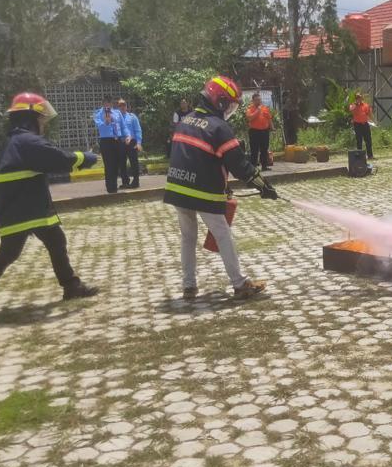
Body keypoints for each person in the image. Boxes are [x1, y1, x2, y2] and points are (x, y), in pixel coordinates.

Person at [0, 93, 100, 327]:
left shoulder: (17, 141)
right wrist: (84, 158)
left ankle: (71, 286)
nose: (44, 123)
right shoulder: (27, 142)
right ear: (30, 117)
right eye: (41, 119)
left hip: (32, 206)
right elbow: (55, 158)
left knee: (56, 240)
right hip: (21, 210)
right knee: (8, 255)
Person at [164, 75, 279, 301]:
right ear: (219, 101)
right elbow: (238, 164)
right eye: (230, 105)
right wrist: (262, 185)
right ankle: (239, 283)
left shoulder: (185, 121)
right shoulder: (218, 127)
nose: (229, 110)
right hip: (203, 191)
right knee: (223, 234)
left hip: (177, 188)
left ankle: (189, 286)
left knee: (187, 238)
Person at [94, 95, 125, 193]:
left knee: (116, 163)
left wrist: (127, 135)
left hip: (117, 140)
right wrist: (106, 122)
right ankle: (110, 187)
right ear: (103, 104)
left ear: (112, 104)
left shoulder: (117, 113)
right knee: (108, 164)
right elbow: (99, 125)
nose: (107, 105)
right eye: (105, 103)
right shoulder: (98, 113)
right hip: (106, 141)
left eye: (109, 103)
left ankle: (114, 186)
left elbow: (123, 126)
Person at [117, 99, 143, 189]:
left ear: (126, 106)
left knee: (134, 163)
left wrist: (139, 143)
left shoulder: (132, 117)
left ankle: (136, 181)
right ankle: (125, 182)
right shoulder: (116, 118)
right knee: (121, 163)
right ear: (118, 107)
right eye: (120, 105)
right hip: (121, 142)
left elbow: (138, 130)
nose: (122, 107)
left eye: (124, 105)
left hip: (132, 142)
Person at [245, 92, 273, 170]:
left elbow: (269, 119)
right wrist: (257, 110)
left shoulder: (265, 108)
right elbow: (249, 118)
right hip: (254, 132)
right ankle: (253, 167)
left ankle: (264, 166)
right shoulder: (250, 109)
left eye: (260, 100)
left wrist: (272, 127)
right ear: (253, 101)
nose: (259, 101)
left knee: (264, 149)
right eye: (257, 100)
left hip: (264, 131)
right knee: (254, 149)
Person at [349, 93, 374, 159]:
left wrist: (373, 121)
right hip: (357, 124)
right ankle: (360, 156)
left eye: (359, 98)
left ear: (361, 98)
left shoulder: (365, 105)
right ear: (356, 99)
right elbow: (351, 110)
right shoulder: (353, 105)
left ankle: (370, 155)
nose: (358, 99)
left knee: (368, 140)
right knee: (359, 140)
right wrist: (356, 104)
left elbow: (369, 114)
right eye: (357, 98)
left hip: (365, 124)